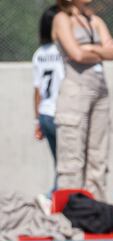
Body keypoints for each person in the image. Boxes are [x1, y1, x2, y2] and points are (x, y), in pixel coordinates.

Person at [52, 0, 113, 201]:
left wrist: (90, 48)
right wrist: (100, 49)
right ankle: (70, 215)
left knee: (98, 158)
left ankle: (96, 210)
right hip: (75, 92)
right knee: (72, 159)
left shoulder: (95, 20)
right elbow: (76, 54)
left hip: (100, 91)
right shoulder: (62, 18)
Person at [32, 4, 64, 200]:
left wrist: (37, 122)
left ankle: (52, 196)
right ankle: (51, 198)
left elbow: (37, 91)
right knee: (67, 165)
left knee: (59, 164)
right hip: (59, 113)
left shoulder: (38, 54)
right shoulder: (63, 50)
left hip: (44, 114)